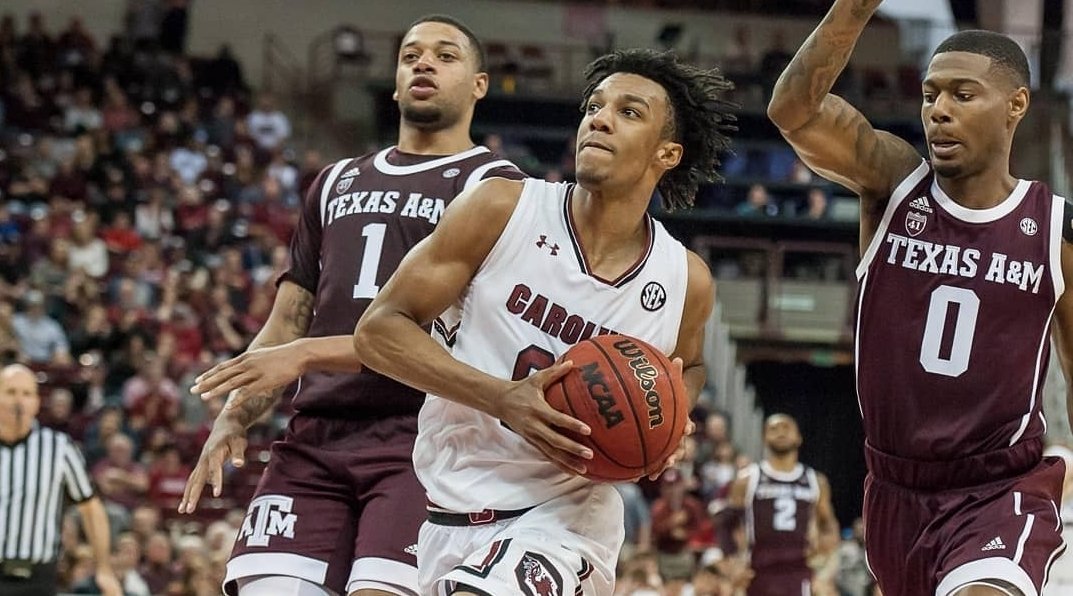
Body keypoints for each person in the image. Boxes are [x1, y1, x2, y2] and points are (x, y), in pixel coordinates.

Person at [354, 48, 733, 595]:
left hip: (566, 521)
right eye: (594, 106)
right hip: (449, 514)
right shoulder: (501, 209)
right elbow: (378, 332)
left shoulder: (684, 279)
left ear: (667, 153)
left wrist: (668, 420)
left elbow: (688, 366)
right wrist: (502, 398)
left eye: (629, 112)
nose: (599, 118)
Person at [178, 14, 523, 596]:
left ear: (479, 85)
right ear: (393, 82)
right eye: (411, 54)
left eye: (445, 56)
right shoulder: (334, 181)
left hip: (424, 439)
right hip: (315, 437)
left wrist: (306, 355)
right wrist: (235, 414)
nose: (424, 64)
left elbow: (455, 337)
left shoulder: (497, 188)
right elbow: (287, 321)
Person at [768, 1, 1073, 594]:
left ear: (1016, 105)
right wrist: (854, 9)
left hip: (1000, 488)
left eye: (963, 95)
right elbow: (794, 111)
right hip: (892, 489)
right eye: (931, 94)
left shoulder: (1055, 231)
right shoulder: (893, 183)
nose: (939, 111)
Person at [0, 364, 121, 596]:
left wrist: (104, 568)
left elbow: (91, 508)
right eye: (11, 392)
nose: (19, 401)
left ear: (36, 403)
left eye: (26, 394)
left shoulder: (59, 448)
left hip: (37, 576)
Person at [726, 414, 838, 596]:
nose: (780, 433)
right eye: (773, 429)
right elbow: (725, 524)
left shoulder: (815, 480)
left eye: (786, 428)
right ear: (764, 438)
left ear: (799, 437)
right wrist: (732, 565)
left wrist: (825, 553)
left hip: (799, 570)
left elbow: (829, 525)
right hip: (757, 570)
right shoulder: (747, 479)